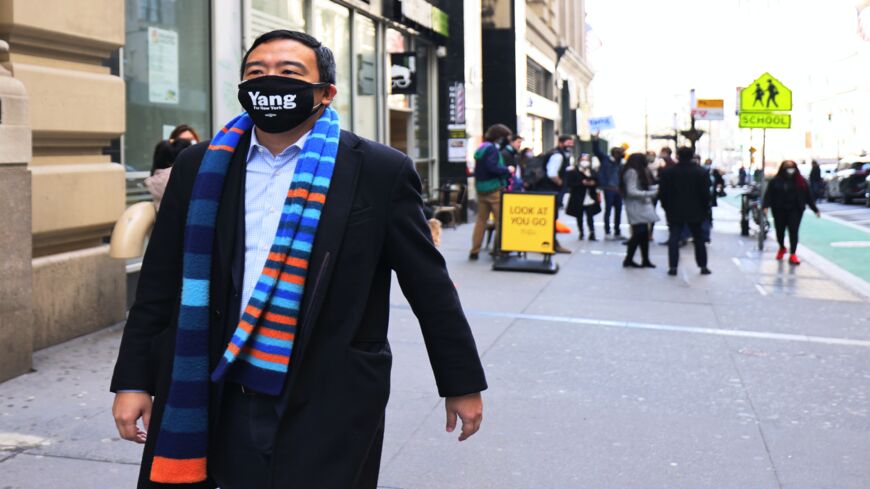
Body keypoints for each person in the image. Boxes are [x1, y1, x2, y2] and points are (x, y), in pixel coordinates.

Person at [111, 30, 486, 489]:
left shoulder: (378, 170)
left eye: (289, 73)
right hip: (212, 386)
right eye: (256, 73)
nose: (269, 82)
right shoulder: (199, 166)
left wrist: (460, 382)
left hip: (329, 391)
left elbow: (429, 287)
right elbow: (159, 284)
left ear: (325, 93)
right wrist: (133, 381)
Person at [658, 147, 712, 276]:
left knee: (674, 238)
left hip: (674, 210)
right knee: (698, 239)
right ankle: (703, 265)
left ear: (677, 156)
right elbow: (706, 195)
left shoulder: (668, 172)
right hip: (696, 211)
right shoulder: (701, 172)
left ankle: (673, 267)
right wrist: (705, 210)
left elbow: (663, 193)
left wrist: (666, 208)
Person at [763, 160, 821, 265]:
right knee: (779, 231)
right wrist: (765, 206)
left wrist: (815, 210)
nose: (790, 170)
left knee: (793, 231)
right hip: (779, 210)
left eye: (791, 167)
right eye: (787, 167)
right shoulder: (775, 181)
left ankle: (793, 253)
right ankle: (782, 247)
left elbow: (808, 197)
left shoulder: (801, 181)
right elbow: (768, 195)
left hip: (795, 210)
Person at [470, 123, 514, 260]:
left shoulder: (482, 147)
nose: (506, 140)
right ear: (499, 137)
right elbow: (492, 167)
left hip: (481, 189)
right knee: (500, 221)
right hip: (494, 189)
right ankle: (500, 249)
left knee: (481, 221)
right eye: (505, 137)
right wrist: (507, 170)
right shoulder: (492, 150)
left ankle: (474, 250)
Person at [146, 125, 201, 210]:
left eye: (191, 140)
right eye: (183, 142)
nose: (189, 145)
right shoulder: (173, 176)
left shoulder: (204, 164)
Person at [620, 153, 659, 268]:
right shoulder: (632, 172)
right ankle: (629, 259)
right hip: (636, 206)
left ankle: (644, 259)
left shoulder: (634, 171)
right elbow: (631, 191)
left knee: (643, 234)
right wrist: (651, 193)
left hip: (639, 205)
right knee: (639, 233)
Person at [591, 134, 625, 237]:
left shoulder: (621, 163)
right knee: (608, 210)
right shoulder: (605, 159)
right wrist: (595, 139)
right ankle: (607, 231)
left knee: (618, 211)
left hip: (618, 190)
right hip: (609, 189)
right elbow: (596, 150)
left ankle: (617, 231)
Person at [565, 154, 600, 241]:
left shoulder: (592, 171)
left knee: (590, 216)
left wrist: (593, 183)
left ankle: (592, 232)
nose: (585, 162)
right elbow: (569, 184)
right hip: (578, 196)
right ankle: (581, 232)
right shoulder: (573, 171)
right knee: (579, 216)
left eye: (587, 160)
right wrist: (582, 183)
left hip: (589, 196)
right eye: (583, 160)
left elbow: (598, 181)